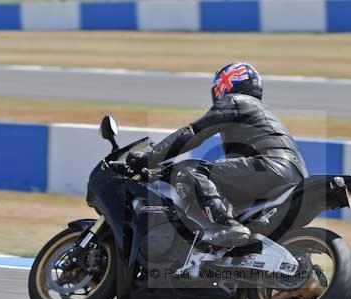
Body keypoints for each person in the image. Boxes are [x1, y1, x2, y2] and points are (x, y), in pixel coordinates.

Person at [127, 62, 308, 247]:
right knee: (221, 194)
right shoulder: (263, 112)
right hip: (295, 174)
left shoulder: (235, 101)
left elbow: (193, 134)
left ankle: (226, 226)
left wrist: (150, 157)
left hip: (270, 167)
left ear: (225, 84)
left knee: (188, 170)